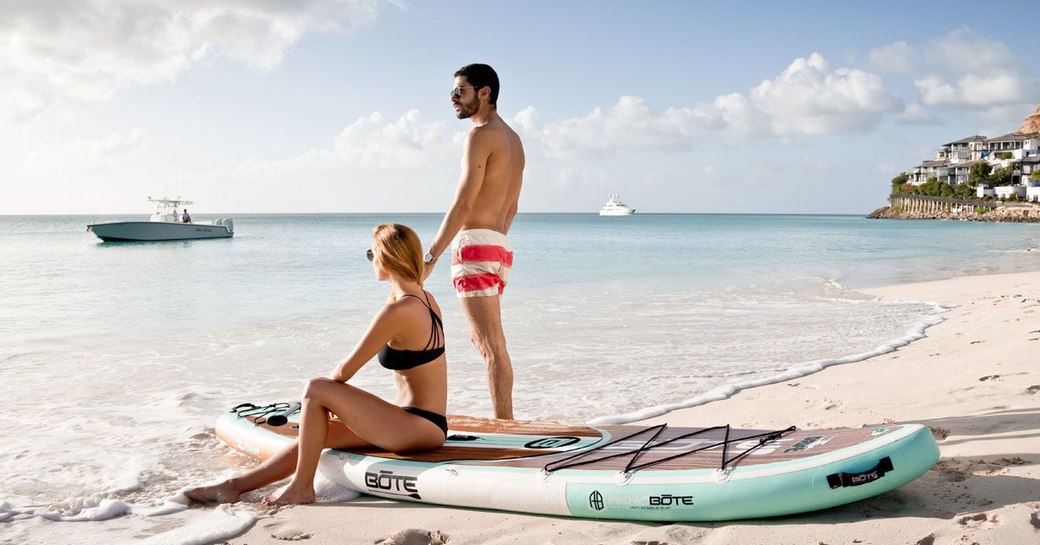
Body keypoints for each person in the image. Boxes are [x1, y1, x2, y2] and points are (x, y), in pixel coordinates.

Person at [186, 223, 448, 505]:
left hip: (416, 428)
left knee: (315, 388)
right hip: (419, 423)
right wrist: (336, 410)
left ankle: (301, 487)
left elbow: (344, 372)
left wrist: (331, 404)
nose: (371, 261)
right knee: (318, 433)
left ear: (387, 256)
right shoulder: (426, 299)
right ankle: (233, 486)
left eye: (372, 255)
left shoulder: (398, 310)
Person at [421, 63, 524, 420]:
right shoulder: (514, 140)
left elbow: (464, 203)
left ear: (485, 93)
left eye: (460, 91)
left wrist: (431, 255)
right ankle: (505, 420)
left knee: (491, 346)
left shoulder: (480, 136)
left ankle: (505, 426)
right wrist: (492, 241)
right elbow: (512, 206)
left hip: (476, 245)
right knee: (487, 343)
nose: (452, 98)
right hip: (499, 245)